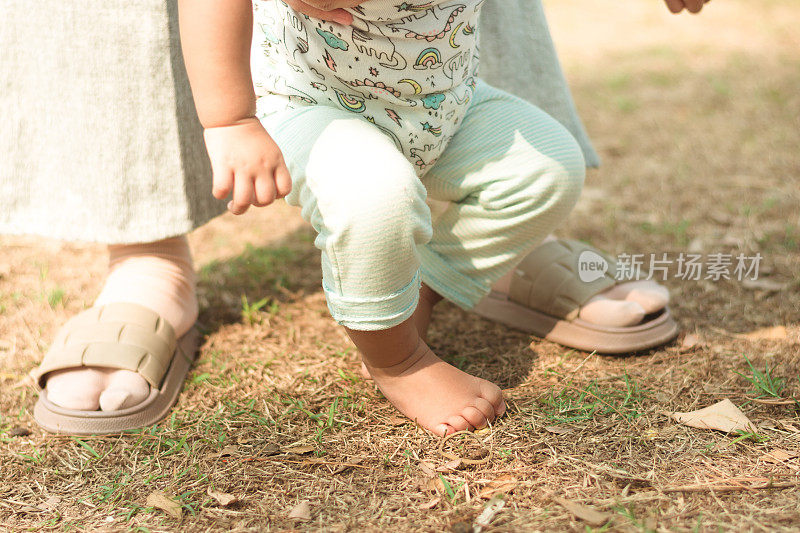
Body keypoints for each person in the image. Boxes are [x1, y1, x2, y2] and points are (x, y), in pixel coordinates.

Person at [1, 0, 692, 434]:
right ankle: (397, 359)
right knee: (377, 197)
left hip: (444, 102)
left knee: (547, 167)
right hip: (311, 101)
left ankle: (417, 277)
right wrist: (232, 117)